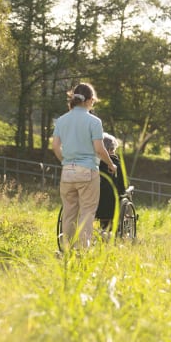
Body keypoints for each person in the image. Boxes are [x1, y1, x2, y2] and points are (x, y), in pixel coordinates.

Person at [51, 83, 117, 250]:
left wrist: (64, 161)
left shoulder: (61, 120)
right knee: (87, 212)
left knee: (69, 213)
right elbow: (99, 149)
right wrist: (111, 164)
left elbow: (55, 146)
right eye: (93, 101)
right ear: (88, 100)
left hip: (67, 172)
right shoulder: (94, 121)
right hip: (87, 171)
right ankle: (83, 249)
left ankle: (68, 248)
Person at [95, 132, 126, 233]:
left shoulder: (93, 163)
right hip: (109, 207)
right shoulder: (115, 163)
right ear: (109, 150)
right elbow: (122, 186)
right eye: (114, 150)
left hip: (92, 204)